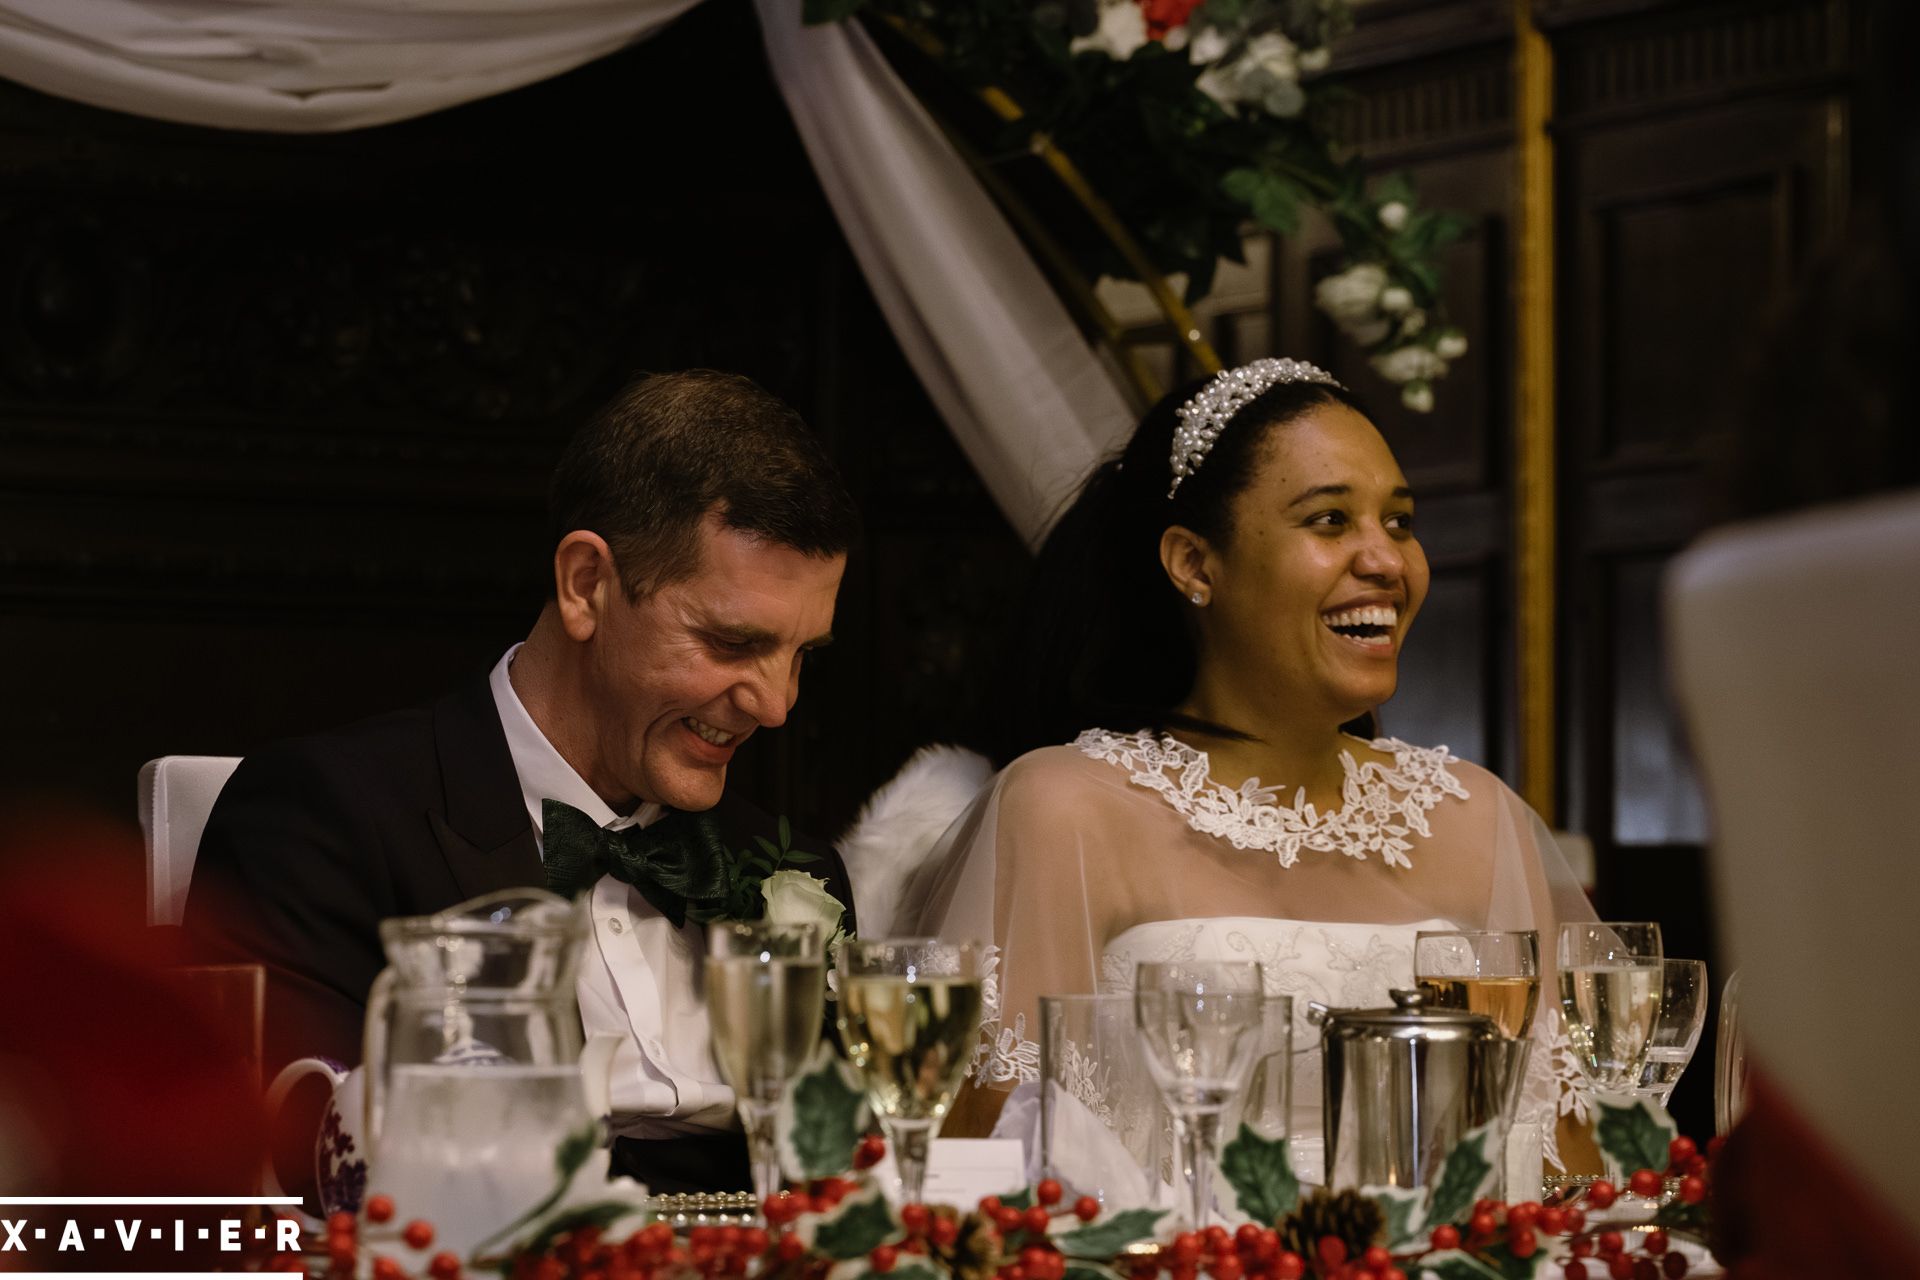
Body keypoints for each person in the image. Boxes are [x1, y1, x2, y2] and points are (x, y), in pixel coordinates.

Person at [185, 369, 861, 1194]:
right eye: (730, 642)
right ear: (586, 587)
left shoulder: (796, 869)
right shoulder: (327, 817)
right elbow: (279, 1178)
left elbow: (835, 1183)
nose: (777, 704)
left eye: (802, 655)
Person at [914, 358, 1592, 1171]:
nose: (1387, 561)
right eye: (1332, 521)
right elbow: (994, 1163)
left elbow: (1564, 1166)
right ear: (1196, 565)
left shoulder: (1477, 816)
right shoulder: (1066, 808)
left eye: (1399, 522)